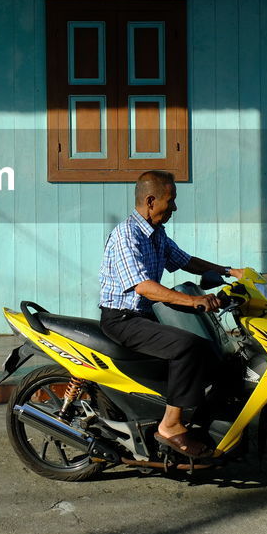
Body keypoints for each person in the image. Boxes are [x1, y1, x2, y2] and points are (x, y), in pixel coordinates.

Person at [98, 170, 244, 459]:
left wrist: (229, 271)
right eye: (171, 200)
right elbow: (144, 287)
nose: (174, 207)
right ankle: (170, 426)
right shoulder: (127, 235)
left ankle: (201, 416)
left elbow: (186, 261)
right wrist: (194, 301)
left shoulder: (155, 233)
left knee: (214, 349)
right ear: (151, 201)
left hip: (144, 316)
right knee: (188, 348)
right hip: (123, 319)